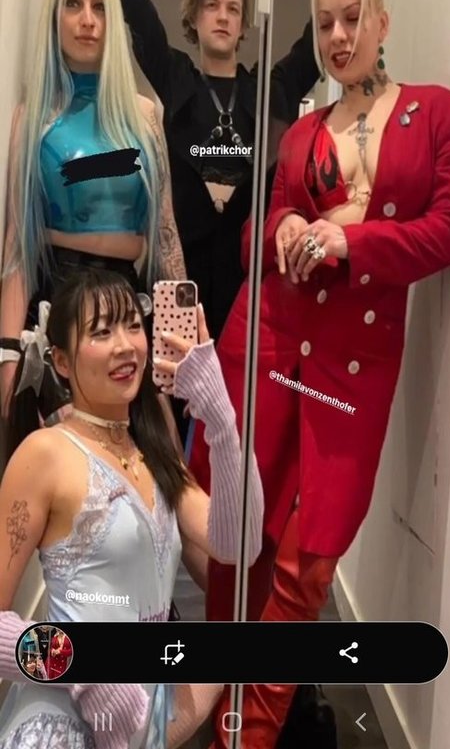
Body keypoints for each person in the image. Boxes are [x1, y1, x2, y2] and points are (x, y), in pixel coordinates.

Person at [190, 0, 450, 747]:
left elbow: (448, 227)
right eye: (326, 22)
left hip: (357, 364)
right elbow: (256, 234)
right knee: (243, 535)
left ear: (381, 20)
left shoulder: (435, 112)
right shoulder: (303, 132)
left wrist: (353, 242)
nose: (339, 36)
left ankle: (248, 729)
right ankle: (212, 697)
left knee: (310, 558)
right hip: (273, 340)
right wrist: (279, 229)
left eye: (352, 18)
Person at [45, 0, 412, 343]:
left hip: (253, 284)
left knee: (244, 393)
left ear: (243, 26)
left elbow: (327, 23)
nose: (223, 15)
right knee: (179, 389)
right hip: (177, 284)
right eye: (212, 5)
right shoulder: (176, 80)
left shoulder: (269, 90)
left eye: (234, 8)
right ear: (194, 18)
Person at [0, 269, 263, 748]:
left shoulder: (156, 456)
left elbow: (240, 546)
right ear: (61, 361)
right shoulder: (45, 453)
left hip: (145, 714)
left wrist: (221, 417)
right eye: (101, 332)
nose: (125, 346)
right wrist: (82, 669)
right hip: (62, 718)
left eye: (133, 325)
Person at [0, 0, 185, 424]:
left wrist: (182, 342)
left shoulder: (143, 117)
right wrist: (7, 355)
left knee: (152, 455)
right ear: (55, 17)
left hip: (128, 305)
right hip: (57, 311)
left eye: (100, 6)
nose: (87, 20)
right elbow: (17, 249)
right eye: (73, 3)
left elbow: (166, 239)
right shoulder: (33, 119)